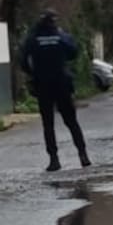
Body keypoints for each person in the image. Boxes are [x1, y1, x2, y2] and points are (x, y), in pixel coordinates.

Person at [21, 10, 90, 172]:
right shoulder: (61, 36)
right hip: (62, 83)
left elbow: (23, 61)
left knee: (48, 124)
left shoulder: (33, 38)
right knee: (71, 122)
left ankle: (54, 159)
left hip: (43, 85)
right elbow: (73, 52)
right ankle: (83, 155)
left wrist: (33, 73)